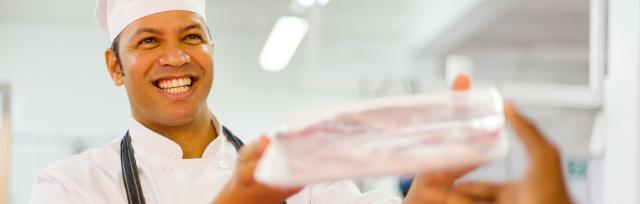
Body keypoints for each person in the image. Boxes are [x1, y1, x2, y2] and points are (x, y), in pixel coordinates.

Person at [29, 0, 573, 203]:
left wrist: (426, 194)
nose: (176, 57)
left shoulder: (298, 171)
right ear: (115, 67)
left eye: (192, 36)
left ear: (212, 48)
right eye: (149, 41)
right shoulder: (71, 185)